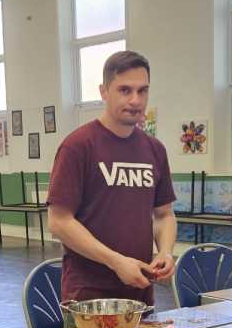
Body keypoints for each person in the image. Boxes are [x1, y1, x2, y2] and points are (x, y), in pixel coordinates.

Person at [47, 49, 177, 306]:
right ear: (104, 91)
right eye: (125, 90)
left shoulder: (154, 150)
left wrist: (165, 252)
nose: (135, 100)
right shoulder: (78, 146)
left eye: (142, 91)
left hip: (140, 293)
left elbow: (164, 215)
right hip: (88, 297)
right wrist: (115, 261)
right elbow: (59, 221)